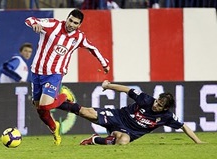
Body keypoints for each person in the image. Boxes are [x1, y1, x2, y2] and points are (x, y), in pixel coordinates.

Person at [25, 9, 110, 145]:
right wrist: (34, 24)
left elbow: (92, 48)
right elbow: (30, 19)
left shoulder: (79, 37)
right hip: (36, 71)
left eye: (75, 23)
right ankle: (54, 127)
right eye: (70, 20)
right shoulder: (52, 25)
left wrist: (104, 63)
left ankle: (63, 94)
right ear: (67, 18)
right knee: (39, 108)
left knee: (45, 104)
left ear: (79, 25)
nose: (71, 24)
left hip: (55, 73)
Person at [55, 80, 204, 145]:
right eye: (157, 101)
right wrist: (108, 85)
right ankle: (56, 103)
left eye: (159, 105)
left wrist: (197, 141)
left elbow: (184, 126)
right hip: (118, 116)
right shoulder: (145, 99)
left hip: (129, 132)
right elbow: (127, 90)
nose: (156, 105)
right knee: (85, 112)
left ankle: (95, 140)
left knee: (123, 142)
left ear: (165, 109)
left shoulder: (167, 117)